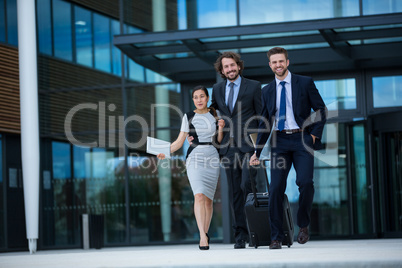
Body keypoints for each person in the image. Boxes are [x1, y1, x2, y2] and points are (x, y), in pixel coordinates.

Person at [250, 47, 327, 249]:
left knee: (306, 182)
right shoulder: (266, 90)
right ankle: (276, 236)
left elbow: (321, 110)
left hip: (302, 139)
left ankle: (303, 225)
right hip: (279, 142)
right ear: (270, 65)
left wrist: (313, 136)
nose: (278, 65)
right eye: (274, 62)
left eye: (281, 61)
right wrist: (257, 151)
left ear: (287, 62)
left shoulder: (304, 82)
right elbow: (264, 123)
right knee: (275, 188)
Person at [195, 51, 261, 249]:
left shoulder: (254, 86)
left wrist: (260, 148)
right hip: (229, 148)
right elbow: (210, 114)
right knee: (235, 193)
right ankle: (240, 235)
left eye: (233, 65)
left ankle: (255, 231)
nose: (230, 69)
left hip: (249, 147)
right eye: (226, 67)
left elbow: (261, 115)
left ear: (238, 66)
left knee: (247, 186)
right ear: (222, 70)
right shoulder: (217, 88)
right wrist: (194, 133)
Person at [157, 85, 225, 250]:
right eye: (196, 97)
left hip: (212, 157)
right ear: (193, 99)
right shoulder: (188, 116)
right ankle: (202, 236)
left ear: (207, 98)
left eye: (202, 96)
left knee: (209, 200)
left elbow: (219, 141)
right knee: (199, 196)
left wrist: (221, 128)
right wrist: (165, 151)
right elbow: (179, 142)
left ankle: (205, 233)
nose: (199, 100)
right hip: (195, 157)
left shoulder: (215, 115)